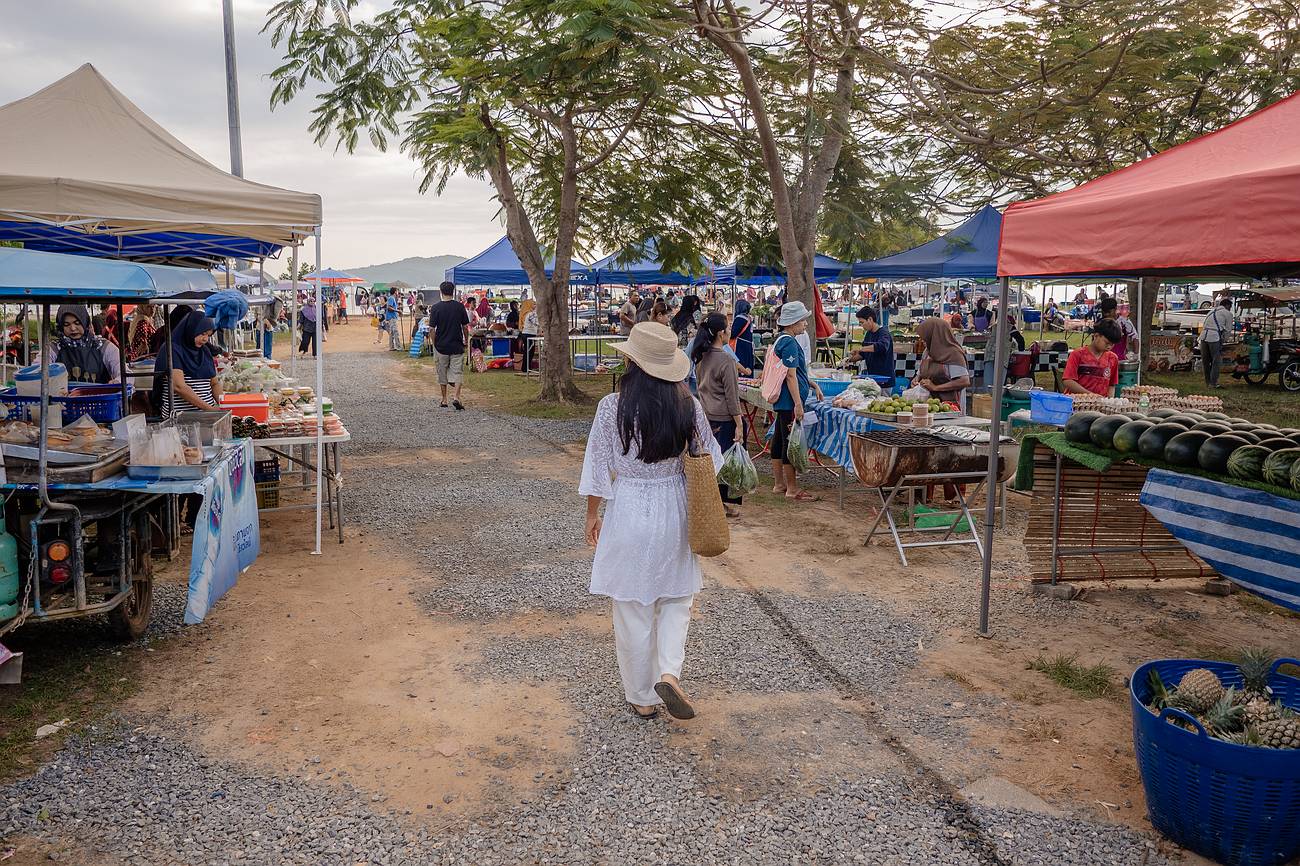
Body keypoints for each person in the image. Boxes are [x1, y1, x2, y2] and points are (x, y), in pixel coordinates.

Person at [580, 322, 722, 721]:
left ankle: (642, 696)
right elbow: (713, 459)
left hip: (628, 506)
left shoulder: (612, 406)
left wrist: (593, 513)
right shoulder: (687, 405)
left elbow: (597, 466)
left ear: (631, 361)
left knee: (631, 605)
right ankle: (669, 672)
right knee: (676, 598)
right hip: (674, 507)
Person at [692, 313, 745, 516]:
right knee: (722, 463)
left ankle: (711, 502)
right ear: (721, 333)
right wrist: (739, 424)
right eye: (728, 327)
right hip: (724, 418)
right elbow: (732, 397)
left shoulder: (701, 357)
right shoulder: (726, 360)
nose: (730, 330)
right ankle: (718, 505)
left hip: (705, 416)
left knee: (709, 461)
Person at [770, 302, 818, 503]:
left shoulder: (782, 339)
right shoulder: (789, 342)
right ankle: (792, 488)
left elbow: (794, 373)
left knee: (780, 438)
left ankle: (779, 483)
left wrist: (810, 383)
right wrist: (798, 403)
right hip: (789, 400)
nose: (805, 324)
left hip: (783, 400)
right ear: (793, 322)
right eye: (802, 320)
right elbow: (790, 376)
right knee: (790, 441)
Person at [47, 305, 122, 383]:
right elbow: (38, 371)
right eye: (66, 324)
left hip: (101, 395)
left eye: (77, 323)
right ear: (61, 327)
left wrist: (117, 382)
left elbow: (124, 373)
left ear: (85, 322)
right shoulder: (53, 349)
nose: (73, 328)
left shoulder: (103, 346)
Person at [428, 281, 470, 409]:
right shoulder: (459, 307)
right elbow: (465, 327)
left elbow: (431, 329)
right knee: (457, 372)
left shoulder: (436, 307)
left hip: (441, 346)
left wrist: (435, 342)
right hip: (457, 344)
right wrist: (466, 341)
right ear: (453, 292)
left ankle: (444, 399)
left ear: (441, 292)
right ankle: (456, 397)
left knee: (442, 372)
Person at [914, 316, 971, 410]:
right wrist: (916, 380)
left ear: (935, 335)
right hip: (928, 405)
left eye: (925, 337)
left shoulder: (954, 353)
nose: (922, 340)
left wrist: (936, 387)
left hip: (949, 407)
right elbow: (920, 374)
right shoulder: (927, 352)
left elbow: (964, 381)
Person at [1062, 319, 1122, 397]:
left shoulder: (1113, 358)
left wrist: (1109, 401)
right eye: (1107, 343)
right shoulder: (1077, 354)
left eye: (1112, 344)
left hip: (1099, 405)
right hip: (1075, 403)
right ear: (1096, 336)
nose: (1109, 347)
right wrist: (1090, 395)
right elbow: (1068, 381)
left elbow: (1112, 384)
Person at [845, 306, 894, 379]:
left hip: (884, 378)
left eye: (862, 322)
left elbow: (882, 346)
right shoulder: (868, 334)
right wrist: (848, 360)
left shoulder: (883, 333)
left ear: (870, 319)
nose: (861, 326)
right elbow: (863, 354)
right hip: (872, 377)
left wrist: (861, 349)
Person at [1199, 297, 1234, 388]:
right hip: (1214, 337)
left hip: (1203, 336)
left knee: (1206, 361)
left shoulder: (1211, 311)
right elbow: (1228, 330)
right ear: (1227, 306)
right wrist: (1224, 340)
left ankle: (1208, 382)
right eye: (1230, 307)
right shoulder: (1227, 314)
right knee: (1216, 361)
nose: (1230, 309)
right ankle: (1213, 383)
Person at [1097, 297, 1137, 362]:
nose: (1107, 314)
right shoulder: (1100, 323)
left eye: (1109, 312)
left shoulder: (1124, 322)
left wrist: (1136, 355)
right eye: (1105, 312)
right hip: (1102, 360)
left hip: (1120, 360)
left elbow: (1135, 338)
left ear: (1115, 309)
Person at [729, 299, 755, 373]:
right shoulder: (748, 317)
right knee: (747, 366)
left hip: (740, 346)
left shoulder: (740, 318)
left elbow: (733, 334)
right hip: (748, 345)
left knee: (741, 367)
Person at [521, 303, 540, 372]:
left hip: (529, 334)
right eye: (534, 304)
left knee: (530, 352)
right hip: (528, 335)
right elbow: (536, 323)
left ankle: (527, 367)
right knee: (528, 352)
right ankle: (525, 368)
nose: (535, 306)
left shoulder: (531, 314)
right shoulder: (532, 314)